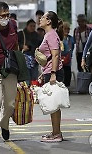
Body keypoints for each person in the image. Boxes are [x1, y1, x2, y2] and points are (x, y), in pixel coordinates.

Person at [0, 2, 18, 147]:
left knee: (10, 105)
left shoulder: (13, 26)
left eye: (7, 15)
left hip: (10, 70)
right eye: (3, 16)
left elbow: (16, 46)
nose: (6, 18)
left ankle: (5, 124)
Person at [38, 11, 64, 142]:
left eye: (43, 17)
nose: (40, 19)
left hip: (54, 73)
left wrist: (53, 73)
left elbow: (55, 55)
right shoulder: (48, 34)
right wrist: (44, 73)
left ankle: (57, 134)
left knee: (54, 104)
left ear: (49, 21)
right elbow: (49, 58)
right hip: (49, 71)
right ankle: (55, 132)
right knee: (53, 104)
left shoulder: (51, 35)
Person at [18, 19, 41, 85]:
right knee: (26, 79)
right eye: (31, 26)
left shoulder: (37, 35)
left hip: (34, 59)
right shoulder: (21, 34)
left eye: (34, 26)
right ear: (27, 26)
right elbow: (15, 44)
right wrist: (22, 46)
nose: (32, 28)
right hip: (24, 60)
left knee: (34, 78)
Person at [62, 22, 75, 87]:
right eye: (65, 29)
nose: (67, 30)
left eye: (68, 29)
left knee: (68, 73)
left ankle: (67, 86)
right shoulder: (60, 38)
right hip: (61, 59)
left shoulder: (71, 38)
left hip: (68, 59)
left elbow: (72, 47)